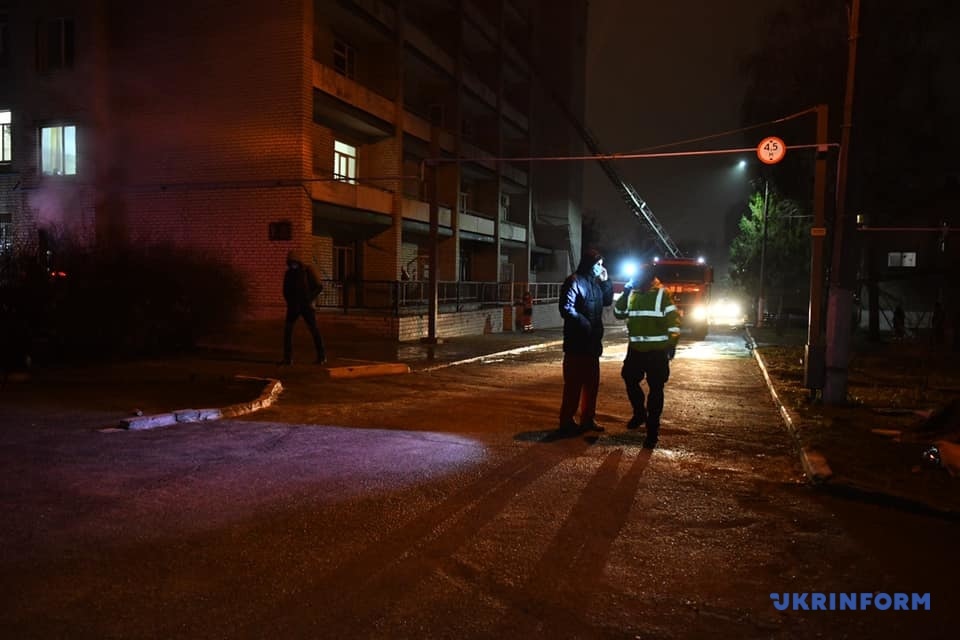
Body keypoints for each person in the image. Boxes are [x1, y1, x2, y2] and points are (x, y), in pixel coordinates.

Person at [613, 266, 681, 449]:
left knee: (656, 389)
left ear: (649, 278)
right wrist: (625, 292)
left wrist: (671, 344)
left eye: (638, 276)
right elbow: (618, 313)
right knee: (629, 378)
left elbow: (674, 321)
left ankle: (652, 431)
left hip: (657, 351)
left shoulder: (662, 294)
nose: (635, 279)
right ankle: (639, 413)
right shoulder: (632, 293)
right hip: (636, 349)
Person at [557, 248, 614, 434]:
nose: (601, 268)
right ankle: (567, 421)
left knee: (591, 386)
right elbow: (566, 308)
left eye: (602, 264)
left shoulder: (596, 284)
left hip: (592, 345)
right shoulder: (574, 281)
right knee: (573, 386)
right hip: (576, 345)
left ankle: (588, 420)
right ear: (590, 264)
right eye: (598, 264)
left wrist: (606, 281)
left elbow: (607, 301)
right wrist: (585, 324)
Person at [281, 251, 326, 365]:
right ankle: (288, 358)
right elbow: (285, 290)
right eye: (291, 263)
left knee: (314, 330)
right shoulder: (289, 273)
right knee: (288, 331)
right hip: (293, 307)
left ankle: (321, 356)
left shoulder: (307, 271)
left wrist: (309, 299)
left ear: (299, 262)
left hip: (306, 306)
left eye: (295, 262)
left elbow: (319, 286)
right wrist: (290, 302)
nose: (293, 265)